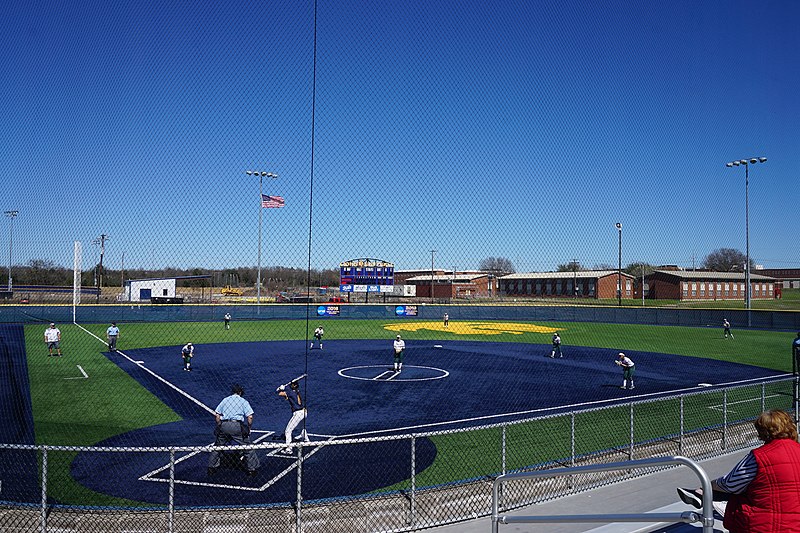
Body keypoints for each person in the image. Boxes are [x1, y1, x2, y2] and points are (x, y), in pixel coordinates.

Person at [677, 409, 800, 532]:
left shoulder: (760, 456)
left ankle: (701, 493)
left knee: (735, 491)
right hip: (795, 526)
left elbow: (730, 484)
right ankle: (702, 495)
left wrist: (708, 485)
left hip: (763, 526)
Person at [207, 384, 259, 476]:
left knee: (217, 447)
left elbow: (217, 415)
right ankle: (252, 469)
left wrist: (220, 426)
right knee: (248, 447)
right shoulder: (243, 401)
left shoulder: (225, 400)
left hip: (224, 425)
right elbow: (250, 417)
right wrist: (249, 428)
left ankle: (211, 468)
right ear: (240, 392)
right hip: (237, 426)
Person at [277, 380, 309, 454]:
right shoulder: (297, 392)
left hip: (298, 413)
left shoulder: (290, 392)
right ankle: (306, 439)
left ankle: (289, 449)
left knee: (288, 431)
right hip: (304, 412)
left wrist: (280, 388)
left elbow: (280, 394)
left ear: (293, 386)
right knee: (302, 427)